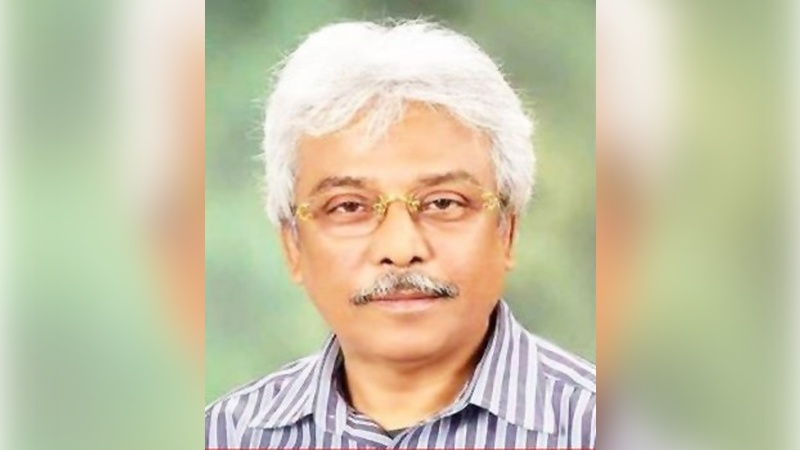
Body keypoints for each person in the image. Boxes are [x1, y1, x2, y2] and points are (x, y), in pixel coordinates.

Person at [205, 20, 596, 449]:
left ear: (508, 231)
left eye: (442, 203)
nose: (401, 249)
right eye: (349, 206)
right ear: (292, 245)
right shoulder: (226, 436)